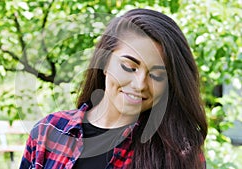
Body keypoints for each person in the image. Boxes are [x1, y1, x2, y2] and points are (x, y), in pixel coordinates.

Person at [19, 8, 207, 169]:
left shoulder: (178, 154)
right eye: (129, 67)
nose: (140, 84)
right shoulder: (49, 131)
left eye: (156, 75)